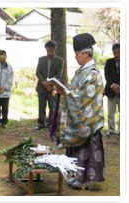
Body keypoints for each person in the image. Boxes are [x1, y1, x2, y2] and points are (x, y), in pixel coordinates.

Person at [56, 33, 105, 189]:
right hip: (79, 117)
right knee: (78, 149)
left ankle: (88, 180)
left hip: (89, 119)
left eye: (77, 54)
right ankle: (78, 176)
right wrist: (65, 91)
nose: (76, 57)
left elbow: (84, 97)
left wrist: (68, 93)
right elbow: (75, 92)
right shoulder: (81, 71)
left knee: (88, 148)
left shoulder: (93, 73)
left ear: (86, 54)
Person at [35, 40, 64, 130]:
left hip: (52, 88)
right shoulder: (41, 59)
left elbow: (58, 75)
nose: (49, 53)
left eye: (51, 51)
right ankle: (41, 123)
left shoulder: (60, 61)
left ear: (54, 50)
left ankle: (51, 124)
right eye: (48, 51)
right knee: (41, 107)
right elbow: (38, 72)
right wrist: (44, 82)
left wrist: (50, 84)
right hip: (41, 87)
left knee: (52, 107)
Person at [104, 43, 120, 137]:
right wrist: (113, 85)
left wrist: (120, 87)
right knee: (110, 112)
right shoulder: (109, 62)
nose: (117, 54)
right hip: (111, 92)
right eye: (115, 53)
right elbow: (107, 75)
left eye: (118, 52)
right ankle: (111, 130)